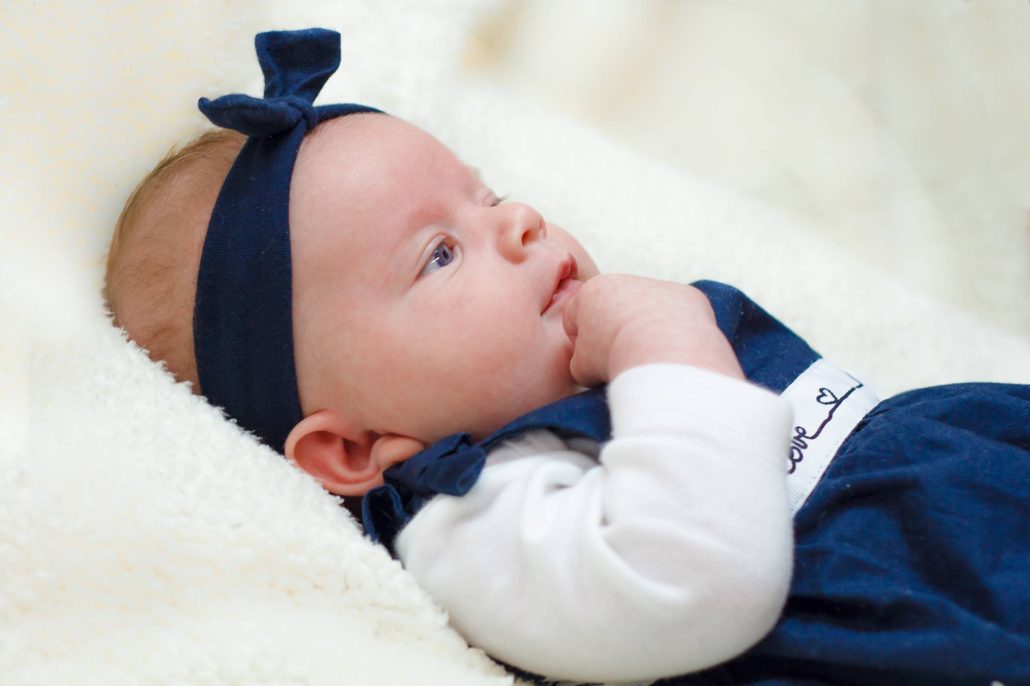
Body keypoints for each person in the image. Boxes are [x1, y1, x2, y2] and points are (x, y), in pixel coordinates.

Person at [104, 29, 1030, 685]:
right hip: (933, 617)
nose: (519, 221)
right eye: (439, 254)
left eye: (487, 197)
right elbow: (692, 582)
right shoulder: (473, 515)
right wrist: (668, 346)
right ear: (353, 448)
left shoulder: (604, 366)